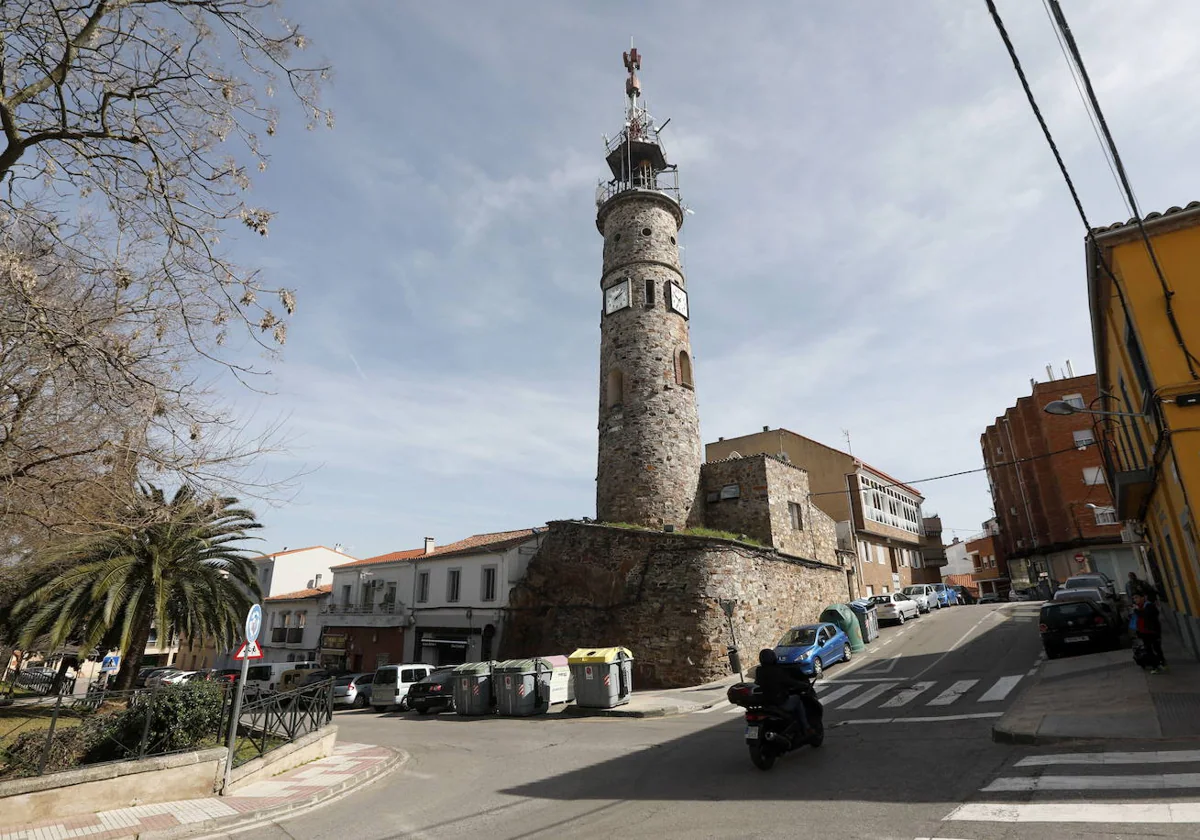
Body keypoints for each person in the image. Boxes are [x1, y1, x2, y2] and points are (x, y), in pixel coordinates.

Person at [754, 648, 814, 741]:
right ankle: (806, 727)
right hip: (779, 702)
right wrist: (804, 684)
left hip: (767, 703)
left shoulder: (759, 671)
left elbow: (758, 682)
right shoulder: (776, 670)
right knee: (797, 699)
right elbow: (789, 681)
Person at [1132, 592, 1167, 674]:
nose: (1135, 600)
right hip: (1144, 632)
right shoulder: (1140, 607)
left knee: (1154, 648)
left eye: (1136, 597)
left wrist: (1137, 610)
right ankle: (1160, 664)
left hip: (1151, 632)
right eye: (1134, 598)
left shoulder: (1149, 606)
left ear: (1143, 597)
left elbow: (1146, 616)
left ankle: (1158, 665)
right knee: (1150, 649)